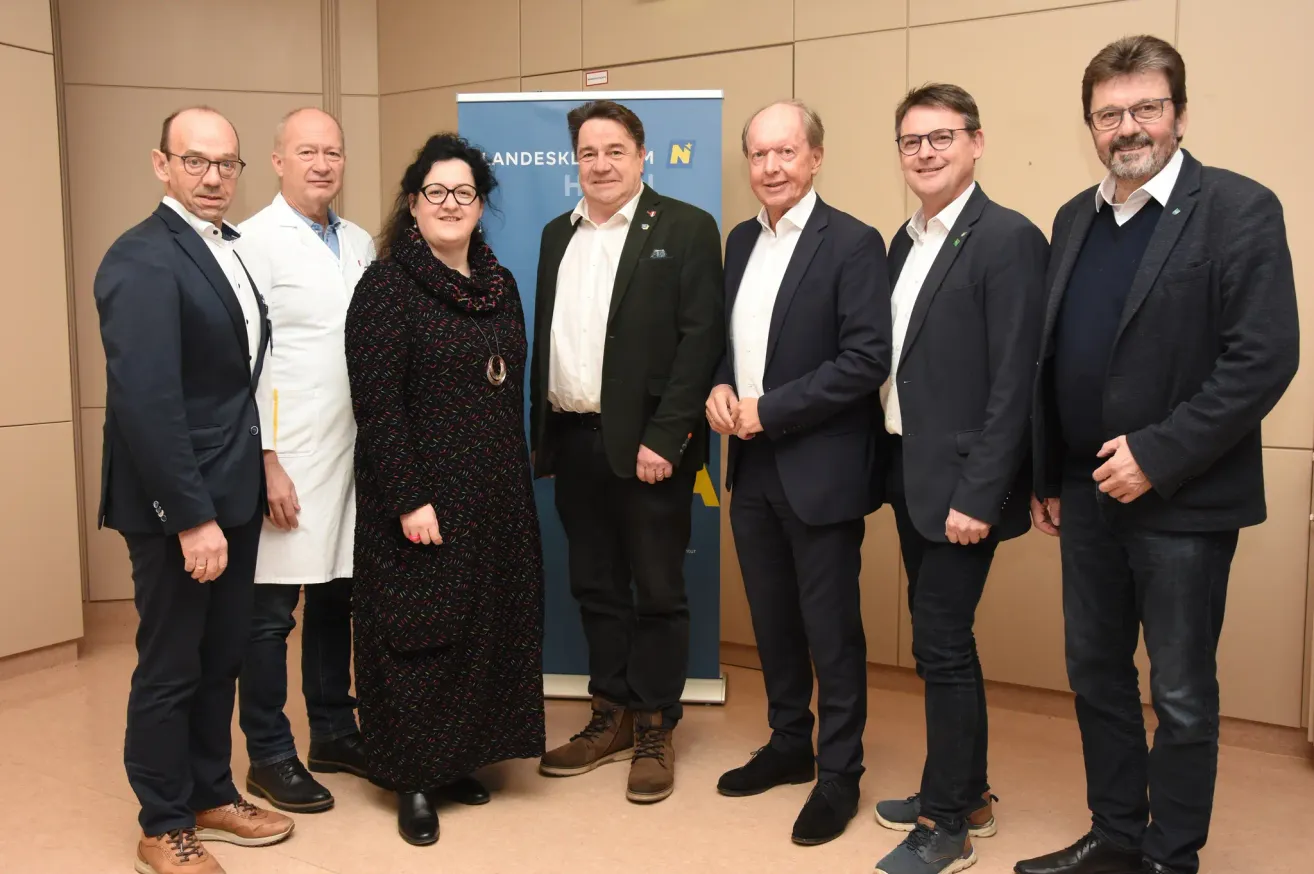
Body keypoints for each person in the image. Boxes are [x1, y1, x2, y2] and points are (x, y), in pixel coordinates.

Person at [1016, 35, 1299, 874]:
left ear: (1178, 112)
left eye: (1146, 108)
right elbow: (1051, 355)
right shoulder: (1075, 217)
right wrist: (1050, 476)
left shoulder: (1240, 208)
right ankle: (1116, 834)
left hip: (1183, 497)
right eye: (1110, 113)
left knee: (1178, 692)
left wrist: (1156, 454)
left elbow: (1262, 360)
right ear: (1090, 124)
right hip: (1084, 492)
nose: (1127, 127)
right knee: (1097, 676)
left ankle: (1172, 856)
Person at [94, 105, 293, 874]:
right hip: (180, 505)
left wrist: (256, 472)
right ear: (161, 164)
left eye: (226, 164)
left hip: (232, 493)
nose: (214, 178)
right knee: (172, 664)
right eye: (196, 161)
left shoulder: (225, 250)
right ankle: (164, 819)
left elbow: (233, 381)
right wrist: (190, 519)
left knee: (221, 659)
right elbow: (147, 403)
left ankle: (212, 792)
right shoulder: (141, 258)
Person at [345, 133, 546, 846]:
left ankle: (459, 759)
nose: (450, 205)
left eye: (464, 193)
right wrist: (408, 498)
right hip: (421, 497)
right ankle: (414, 780)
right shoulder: (387, 286)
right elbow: (378, 407)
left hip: (492, 495)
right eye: (436, 192)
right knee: (419, 640)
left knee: (479, 634)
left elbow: (510, 390)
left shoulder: (500, 284)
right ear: (412, 202)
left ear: (481, 205)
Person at [870, 85, 1047, 874]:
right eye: (911, 141)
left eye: (941, 137)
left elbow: (1017, 379)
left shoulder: (1007, 238)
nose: (925, 153)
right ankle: (965, 789)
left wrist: (981, 494)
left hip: (963, 489)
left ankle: (948, 825)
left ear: (976, 142)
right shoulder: (905, 242)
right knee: (942, 643)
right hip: (913, 476)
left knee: (941, 645)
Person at [707, 100, 890, 845]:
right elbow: (732, 345)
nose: (772, 168)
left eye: (786, 153)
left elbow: (864, 360)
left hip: (820, 469)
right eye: (759, 155)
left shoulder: (853, 243)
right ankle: (789, 745)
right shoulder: (738, 241)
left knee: (831, 630)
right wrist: (720, 386)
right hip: (750, 471)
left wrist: (767, 410)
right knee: (773, 622)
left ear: (815, 157)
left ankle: (839, 771)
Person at [531, 100, 724, 805]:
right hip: (576, 441)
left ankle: (653, 724)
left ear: (643, 156)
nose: (601, 164)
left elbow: (699, 340)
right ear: (574, 161)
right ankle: (608, 715)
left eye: (615, 150)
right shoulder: (559, 233)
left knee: (659, 592)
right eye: (588, 152)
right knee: (596, 587)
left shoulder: (686, 227)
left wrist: (665, 436)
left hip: (650, 451)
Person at [235, 107, 375, 813]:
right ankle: (269, 753)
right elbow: (242, 363)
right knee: (269, 616)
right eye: (307, 152)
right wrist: (264, 460)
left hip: (353, 452)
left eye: (334, 153)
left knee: (337, 599)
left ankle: (334, 729)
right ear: (277, 160)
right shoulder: (250, 243)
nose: (322, 164)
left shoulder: (356, 241)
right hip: (286, 455)